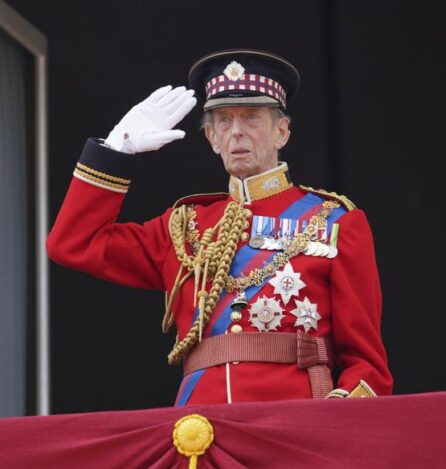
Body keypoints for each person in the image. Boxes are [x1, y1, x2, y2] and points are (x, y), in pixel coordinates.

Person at [46, 49, 393, 405]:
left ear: (282, 131)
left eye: (252, 118)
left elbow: (367, 365)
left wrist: (332, 420)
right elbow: (72, 243)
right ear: (211, 138)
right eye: (224, 121)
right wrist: (117, 150)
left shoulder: (334, 222)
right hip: (201, 429)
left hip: (295, 428)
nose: (237, 132)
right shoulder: (184, 226)